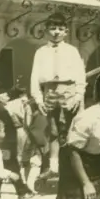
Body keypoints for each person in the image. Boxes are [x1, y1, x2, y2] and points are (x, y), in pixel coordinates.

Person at [30, 12, 87, 177]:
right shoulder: (41, 52)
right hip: (49, 90)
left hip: (69, 89)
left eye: (60, 29)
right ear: (46, 30)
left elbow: (80, 74)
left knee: (71, 128)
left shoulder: (72, 51)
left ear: (66, 32)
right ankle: (54, 167)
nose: (56, 32)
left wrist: (78, 95)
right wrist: (38, 98)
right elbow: (34, 76)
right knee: (53, 130)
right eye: (53, 28)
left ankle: (74, 165)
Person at [0, 85, 33, 198]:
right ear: (0, 97)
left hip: (8, 144)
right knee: (9, 166)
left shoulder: (1, 108)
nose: (8, 97)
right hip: (5, 145)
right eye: (5, 95)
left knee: (7, 166)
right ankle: (22, 191)